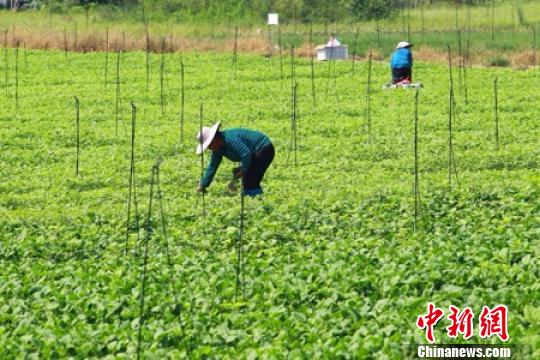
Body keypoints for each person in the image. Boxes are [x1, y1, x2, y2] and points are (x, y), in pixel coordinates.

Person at [196, 123, 275, 197]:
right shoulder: (217, 150)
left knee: (250, 182)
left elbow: (245, 154)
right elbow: (212, 167)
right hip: (253, 154)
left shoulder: (230, 139)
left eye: (209, 145)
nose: (209, 148)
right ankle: (252, 199)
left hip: (264, 149)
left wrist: (243, 170)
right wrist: (203, 185)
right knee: (246, 180)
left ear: (215, 138)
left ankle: (258, 202)